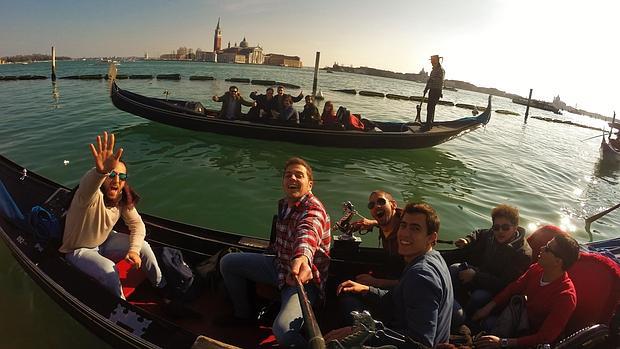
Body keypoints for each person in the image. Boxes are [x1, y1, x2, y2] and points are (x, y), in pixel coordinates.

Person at [219, 157, 331, 347]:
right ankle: (243, 315)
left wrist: (302, 258)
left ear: (310, 184)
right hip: (279, 265)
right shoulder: (285, 205)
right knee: (228, 262)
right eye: (288, 175)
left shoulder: (314, 211)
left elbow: (308, 233)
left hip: (302, 281)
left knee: (283, 331)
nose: (292, 179)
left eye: (299, 175)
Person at [328, 203, 453, 348]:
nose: (405, 233)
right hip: (401, 322)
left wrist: (363, 332)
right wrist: (367, 290)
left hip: (405, 339)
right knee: (350, 295)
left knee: (348, 305)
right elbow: (399, 296)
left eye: (415, 228)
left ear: (431, 237)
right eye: (403, 225)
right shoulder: (433, 257)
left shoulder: (421, 275)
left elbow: (421, 342)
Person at [59, 131, 165, 300]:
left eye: (122, 176)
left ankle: (161, 286)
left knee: (143, 246)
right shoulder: (89, 196)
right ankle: (122, 306)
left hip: (105, 241)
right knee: (109, 271)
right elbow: (89, 184)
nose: (117, 180)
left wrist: (134, 251)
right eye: (112, 175)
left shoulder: (122, 198)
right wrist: (100, 172)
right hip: (78, 249)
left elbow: (137, 225)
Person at [473, 232, 580, 348]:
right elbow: (513, 288)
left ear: (558, 261)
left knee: (488, 327)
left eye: (548, 249)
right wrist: (488, 307)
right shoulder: (537, 269)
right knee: (481, 306)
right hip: (519, 320)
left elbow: (545, 337)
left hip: (531, 340)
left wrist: (502, 342)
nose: (542, 248)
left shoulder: (565, 297)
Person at [445, 204, 532, 322]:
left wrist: (475, 276)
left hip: (495, 291)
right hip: (479, 274)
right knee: (454, 268)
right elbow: (480, 233)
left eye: (505, 227)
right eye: (496, 227)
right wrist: (468, 240)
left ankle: (466, 320)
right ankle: (448, 302)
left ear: (515, 227)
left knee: (479, 296)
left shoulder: (522, 254)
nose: (500, 231)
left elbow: (505, 284)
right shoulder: (492, 234)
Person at [349, 190, 403, 288]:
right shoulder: (386, 223)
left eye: (381, 202)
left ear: (393, 205)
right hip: (392, 272)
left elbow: (412, 282)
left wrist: (375, 282)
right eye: (371, 205)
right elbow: (385, 221)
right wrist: (373, 223)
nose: (376, 206)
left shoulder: (406, 236)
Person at [422, 54, 445, 131]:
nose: (431, 62)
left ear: (436, 61)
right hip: (432, 90)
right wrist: (426, 88)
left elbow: (439, 81)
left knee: (431, 107)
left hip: (436, 91)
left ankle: (428, 125)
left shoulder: (440, 70)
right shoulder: (433, 70)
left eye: (432, 61)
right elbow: (430, 80)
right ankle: (429, 124)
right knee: (430, 108)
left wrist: (430, 83)